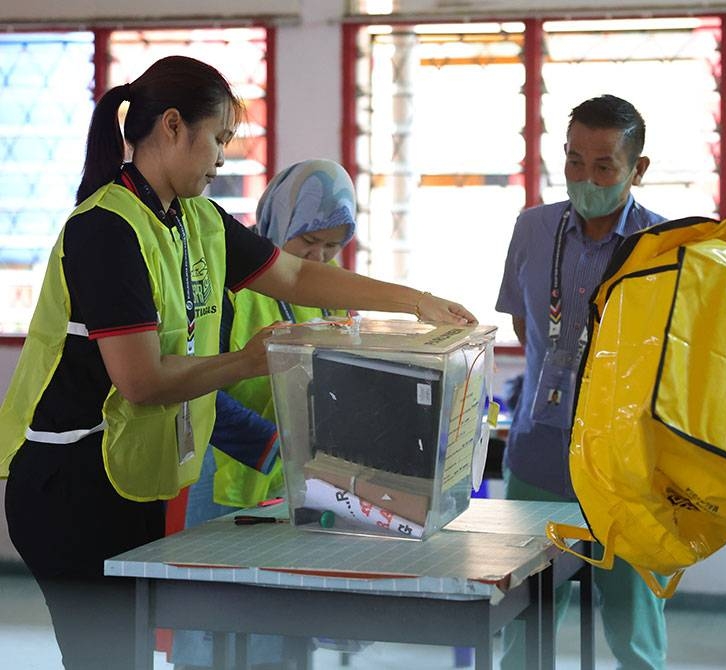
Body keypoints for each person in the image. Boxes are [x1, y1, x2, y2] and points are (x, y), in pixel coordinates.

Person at [0, 55, 474, 670]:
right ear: (173, 126)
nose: (223, 158)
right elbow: (141, 381)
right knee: (109, 659)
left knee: (129, 655)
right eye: (219, 139)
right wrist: (250, 362)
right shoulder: (105, 231)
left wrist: (418, 303)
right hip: (70, 483)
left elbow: (298, 273)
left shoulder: (194, 218)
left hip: (131, 475)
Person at [495, 94, 668, 669]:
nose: (584, 177)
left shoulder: (666, 247)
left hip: (626, 468)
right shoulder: (533, 228)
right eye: (573, 160)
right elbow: (526, 325)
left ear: (638, 169)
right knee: (528, 624)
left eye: (603, 166)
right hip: (539, 458)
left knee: (634, 630)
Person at [170, 159, 358, 670]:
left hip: (299, 483)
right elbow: (200, 388)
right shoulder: (229, 285)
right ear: (279, 224)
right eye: (307, 244)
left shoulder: (331, 290)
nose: (319, 258)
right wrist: (275, 448)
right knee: (214, 617)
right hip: (228, 475)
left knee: (281, 622)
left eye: (332, 246)